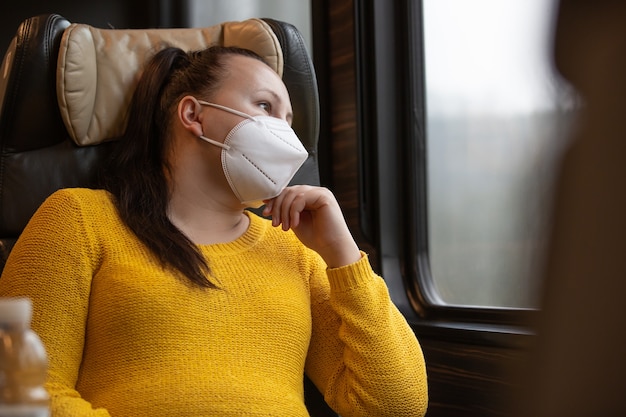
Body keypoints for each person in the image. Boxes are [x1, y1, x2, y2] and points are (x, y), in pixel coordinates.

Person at [0, 45, 428, 416]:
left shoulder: (297, 253)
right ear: (194, 115)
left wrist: (343, 256)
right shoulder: (79, 219)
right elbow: (20, 388)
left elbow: (395, 405)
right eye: (265, 106)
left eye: (289, 118)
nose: (286, 134)